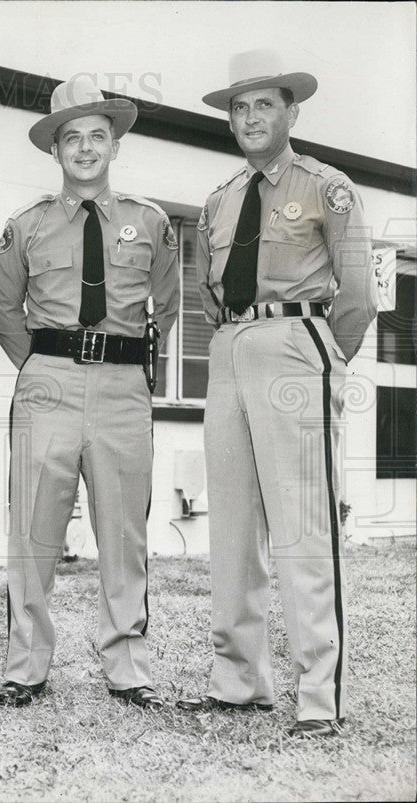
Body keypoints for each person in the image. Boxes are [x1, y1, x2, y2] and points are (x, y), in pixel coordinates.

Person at [177, 50, 375, 738]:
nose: (251, 117)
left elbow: (357, 297)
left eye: (265, 104)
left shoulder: (327, 186)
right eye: (240, 107)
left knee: (302, 527)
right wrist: (240, 341)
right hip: (231, 348)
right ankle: (239, 681)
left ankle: (319, 693)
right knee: (232, 526)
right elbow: (206, 292)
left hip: (298, 345)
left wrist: (320, 358)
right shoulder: (220, 198)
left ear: (292, 111)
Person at [0, 75, 179, 708]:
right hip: (49, 381)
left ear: (115, 146)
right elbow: (2, 309)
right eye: (74, 138)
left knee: (124, 530)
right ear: (56, 150)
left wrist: (123, 362)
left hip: (124, 386)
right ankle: (26, 666)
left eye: (99, 136)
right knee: (35, 527)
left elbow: (170, 304)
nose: (87, 149)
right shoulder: (28, 225)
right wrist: (46, 365)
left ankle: (127, 665)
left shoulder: (151, 222)